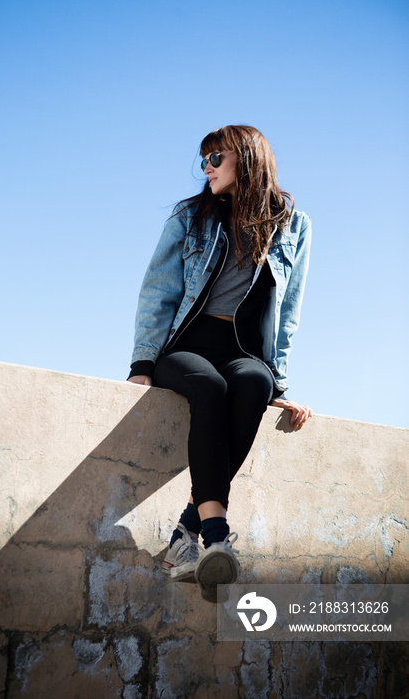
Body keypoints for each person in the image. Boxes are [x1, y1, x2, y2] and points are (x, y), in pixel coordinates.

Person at [127, 125, 312, 602]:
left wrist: (282, 385)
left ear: (247, 159)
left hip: (245, 351)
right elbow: (158, 289)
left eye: (215, 157)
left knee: (253, 383)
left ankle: (185, 537)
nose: (205, 167)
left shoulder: (293, 225)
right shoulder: (191, 215)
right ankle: (214, 538)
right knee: (209, 387)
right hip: (187, 345)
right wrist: (143, 362)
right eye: (202, 159)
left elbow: (288, 310)